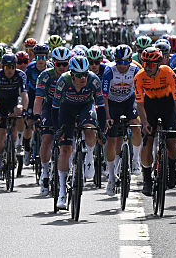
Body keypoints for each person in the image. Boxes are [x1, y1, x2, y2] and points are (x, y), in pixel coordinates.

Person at [51, 55, 104, 211]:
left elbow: (101, 107)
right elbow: (54, 108)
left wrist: (101, 129)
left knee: (89, 128)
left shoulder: (94, 80)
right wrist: (57, 129)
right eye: (79, 75)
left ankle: (89, 156)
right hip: (66, 109)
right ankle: (62, 191)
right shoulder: (63, 81)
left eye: (85, 74)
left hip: (86, 106)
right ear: (72, 74)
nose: (83, 78)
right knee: (65, 149)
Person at [135, 47, 176, 196]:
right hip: (150, 106)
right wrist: (144, 123)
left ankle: (171, 166)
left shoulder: (168, 73)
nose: (147, 68)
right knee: (148, 141)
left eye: (151, 65)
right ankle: (147, 179)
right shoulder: (139, 77)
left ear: (158, 64)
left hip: (168, 106)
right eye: (145, 64)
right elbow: (139, 104)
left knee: (172, 143)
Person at [102, 44, 142, 195]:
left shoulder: (136, 70)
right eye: (119, 62)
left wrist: (141, 113)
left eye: (125, 62)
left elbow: (140, 95)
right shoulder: (109, 71)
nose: (122, 65)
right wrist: (107, 116)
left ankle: (136, 159)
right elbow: (104, 97)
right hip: (112, 103)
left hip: (129, 100)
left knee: (136, 125)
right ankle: (112, 177)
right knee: (113, 140)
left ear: (130, 60)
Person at [34, 46, 71, 195]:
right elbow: (38, 99)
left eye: (65, 64)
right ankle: (45, 172)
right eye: (58, 64)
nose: (62, 67)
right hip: (49, 108)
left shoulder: (73, 75)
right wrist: (37, 117)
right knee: (47, 139)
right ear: (53, 63)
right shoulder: (45, 76)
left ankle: (72, 170)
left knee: (68, 142)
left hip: (68, 107)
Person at [0, 54, 29, 181]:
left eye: (12, 67)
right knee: (1, 134)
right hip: (0, 103)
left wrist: (23, 109)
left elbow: (24, 94)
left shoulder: (20, 75)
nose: (10, 70)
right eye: (7, 67)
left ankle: (18, 144)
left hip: (14, 102)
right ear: (3, 66)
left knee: (19, 115)